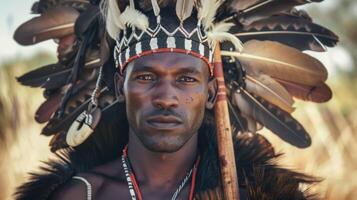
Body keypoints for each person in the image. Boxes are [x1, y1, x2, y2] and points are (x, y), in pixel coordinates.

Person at [14, 0, 338, 199]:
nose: (166, 98)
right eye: (145, 77)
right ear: (118, 87)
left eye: (186, 79)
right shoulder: (81, 194)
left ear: (210, 93)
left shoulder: (251, 195)